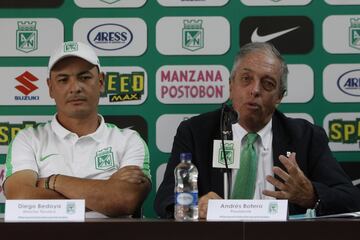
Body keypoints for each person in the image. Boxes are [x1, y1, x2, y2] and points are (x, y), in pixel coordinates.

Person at [154, 42, 360, 219]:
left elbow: (351, 198)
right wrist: (195, 206)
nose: (255, 90)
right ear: (230, 85)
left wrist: (312, 195)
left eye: (268, 84)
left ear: (280, 96)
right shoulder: (196, 132)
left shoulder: (305, 137)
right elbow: (165, 199)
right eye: (246, 79)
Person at [2, 41, 151, 217]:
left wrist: (52, 181)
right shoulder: (28, 139)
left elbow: (125, 199)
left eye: (85, 77)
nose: (75, 88)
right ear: (50, 88)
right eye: (63, 80)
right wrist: (105, 191)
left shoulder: (129, 140)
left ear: (101, 82)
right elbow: (21, 199)